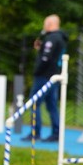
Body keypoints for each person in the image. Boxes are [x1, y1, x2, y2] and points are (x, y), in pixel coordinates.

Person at [22, 14, 67, 142]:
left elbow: (46, 59)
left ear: (49, 24)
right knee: (52, 105)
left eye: (45, 23)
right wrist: (41, 48)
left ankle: (35, 132)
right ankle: (56, 132)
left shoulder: (51, 38)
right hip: (55, 76)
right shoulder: (61, 38)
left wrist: (37, 71)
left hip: (44, 76)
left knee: (35, 103)